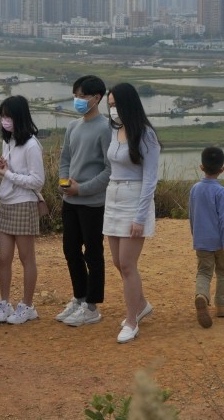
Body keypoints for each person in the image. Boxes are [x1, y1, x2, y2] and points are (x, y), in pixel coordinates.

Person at [104, 82, 160, 344]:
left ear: (128, 104)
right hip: (113, 197)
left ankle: (131, 320)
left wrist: (140, 217)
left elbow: (150, 179)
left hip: (134, 200)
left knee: (128, 264)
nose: (112, 109)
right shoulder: (115, 130)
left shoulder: (145, 134)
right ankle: (141, 304)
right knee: (118, 262)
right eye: (110, 104)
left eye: (116, 104)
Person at [56, 75, 112, 328]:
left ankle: (92, 306)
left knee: (93, 253)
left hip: (93, 203)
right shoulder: (73, 126)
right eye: (76, 95)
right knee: (70, 250)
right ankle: (79, 297)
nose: (77, 100)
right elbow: (65, 157)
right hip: (71, 200)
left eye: (82, 96)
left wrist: (83, 189)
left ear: (96, 98)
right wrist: (65, 181)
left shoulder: (105, 128)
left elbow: (108, 170)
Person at [0, 95, 45, 326]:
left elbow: (37, 181)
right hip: (6, 202)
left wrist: (8, 174)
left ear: (19, 117)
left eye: (8, 116)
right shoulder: (9, 141)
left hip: (23, 203)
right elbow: (13, 172)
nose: (5, 120)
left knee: (26, 258)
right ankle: (4, 302)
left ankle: (27, 304)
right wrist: (5, 168)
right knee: (3, 257)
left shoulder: (32, 144)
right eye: (2, 116)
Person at [188, 146, 224, 329]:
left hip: (202, 241)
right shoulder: (222, 192)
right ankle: (222, 307)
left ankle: (202, 296)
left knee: (204, 272)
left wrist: (196, 235)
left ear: (201, 167)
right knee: (223, 272)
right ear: (222, 169)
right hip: (220, 242)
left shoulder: (195, 189)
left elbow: (191, 215)